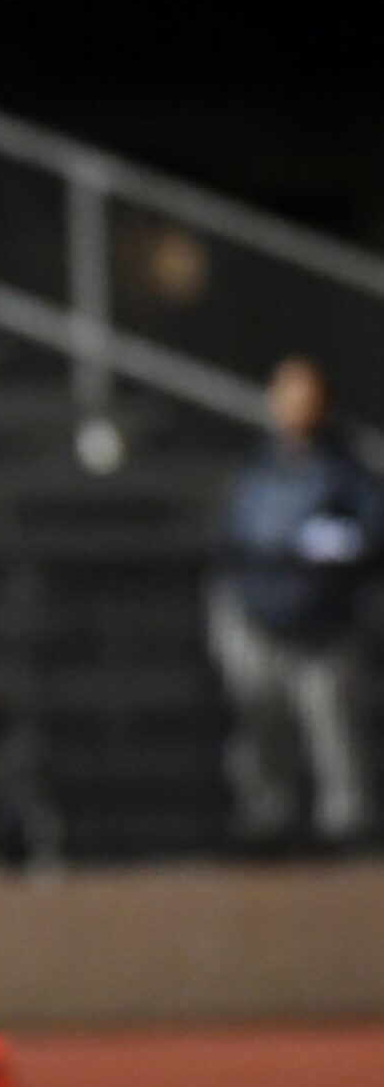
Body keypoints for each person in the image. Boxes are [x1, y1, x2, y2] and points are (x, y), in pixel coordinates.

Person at [209, 355, 384, 848]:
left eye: (307, 396)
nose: (296, 406)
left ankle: (347, 837)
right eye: (288, 395)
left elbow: (373, 534)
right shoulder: (256, 467)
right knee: (262, 744)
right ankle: (267, 833)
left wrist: (337, 543)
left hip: (325, 631)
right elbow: (231, 540)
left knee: (338, 742)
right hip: (260, 623)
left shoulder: (347, 469)